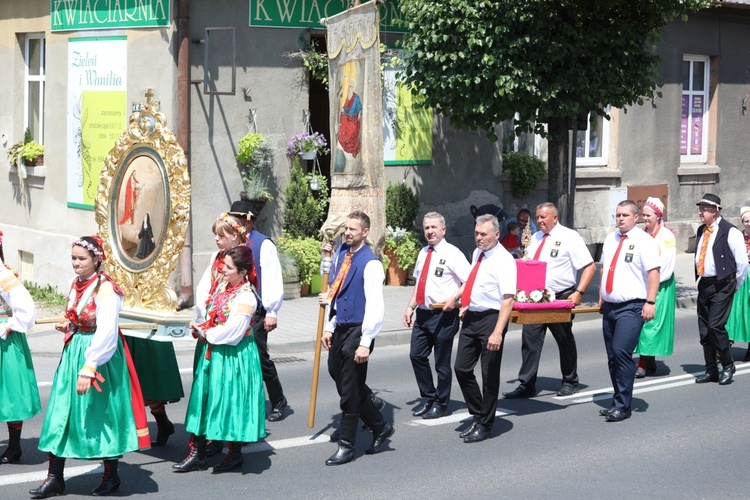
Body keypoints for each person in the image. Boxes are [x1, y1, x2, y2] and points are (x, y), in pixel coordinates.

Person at [32, 236, 150, 498]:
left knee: (101, 415)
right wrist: (70, 325)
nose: (76, 263)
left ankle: (111, 476)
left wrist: (90, 367)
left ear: (97, 259)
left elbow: (107, 332)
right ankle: (55, 477)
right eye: (73, 257)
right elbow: (79, 317)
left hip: (99, 357)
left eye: (81, 258)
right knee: (60, 410)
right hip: (74, 351)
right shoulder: (76, 284)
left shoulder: (107, 289)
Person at [174, 246, 265, 474]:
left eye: (228, 267)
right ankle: (198, 453)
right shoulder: (224, 287)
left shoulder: (246, 297)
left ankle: (234, 455)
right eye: (223, 265)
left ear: (243, 271)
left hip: (233, 355)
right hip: (213, 351)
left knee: (231, 402)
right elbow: (212, 315)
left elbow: (233, 332)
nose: (222, 269)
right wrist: (201, 325)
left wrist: (206, 333)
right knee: (203, 399)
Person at [318, 211, 393, 466]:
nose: (347, 233)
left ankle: (347, 446)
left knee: (350, 387)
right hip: (341, 326)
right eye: (346, 229)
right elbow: (335, 293)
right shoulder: (341, 254)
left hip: (360, 329)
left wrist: (365, 341)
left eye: (353, 229)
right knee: (336, 373)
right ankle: (379, 424)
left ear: (365, 232)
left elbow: (375, 305)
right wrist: (329, 326)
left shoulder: (371, 263)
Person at [503, 202, 595, 399]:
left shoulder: (570, 237)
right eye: (538, 217)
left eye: (544, 217)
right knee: (530, 340)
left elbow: (589, 266)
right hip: (534, 297)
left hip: (559, 296)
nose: (540, 221)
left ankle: (570, 381)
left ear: (555, 218)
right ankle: (526, 384)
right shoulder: (535, 238)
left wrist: (579, 292)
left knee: (564, 339)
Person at [453, 214, 515, 443]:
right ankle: (478, 413)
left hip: (492, 319)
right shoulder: (477, 253)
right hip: (472, 317)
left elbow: (508, 299)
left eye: (483, 234)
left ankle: (485, 424)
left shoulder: (505, 260)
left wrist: (498, 331)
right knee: (461, 368)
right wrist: (463, 301)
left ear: (496, 235)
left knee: (489, 374)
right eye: (476, 233)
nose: (478, 238)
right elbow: (473, 280)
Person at [403, 212, 471, 419]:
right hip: (423, 314)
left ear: (443, 230)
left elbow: (469, 281)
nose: (430, 232)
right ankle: (428, 397)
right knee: (416, 355)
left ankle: (441, 404)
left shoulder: (453, 253)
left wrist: (455, 298)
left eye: (434, 227)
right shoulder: (423, 252)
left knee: (441, 363)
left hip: (443, 314)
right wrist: (410, 307)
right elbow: (419, 283)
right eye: (426, 228)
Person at [598, 201, 660, 422]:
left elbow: (654, 272)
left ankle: (623, 406)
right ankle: (617, 400)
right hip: (611, 306)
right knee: (612, 356)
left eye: (625, 215)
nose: (620, 219)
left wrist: (650, 302)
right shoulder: (610, 238)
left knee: (622, 352)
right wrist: (601, 296)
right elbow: (605, 268)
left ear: (636, 218)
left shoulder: (644, 241)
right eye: (617, 215)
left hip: (632, 306)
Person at [228, 200, 288, 421]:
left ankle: (278, 400)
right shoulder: (233, 245)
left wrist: (272, 311)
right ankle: (246, 402)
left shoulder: (263, 244)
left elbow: (272, 278)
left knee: (259, 357)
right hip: (235, 309)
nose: (235, 222)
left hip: (257, 311)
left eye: (239, 218)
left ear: (248, 220)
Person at [693, 194, 748, 385]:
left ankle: (727, 365)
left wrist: (735, 286)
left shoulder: (730, 231)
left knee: (716, 326)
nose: (700, 212)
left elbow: (741, 263)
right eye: (700, 208)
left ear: (715, 210)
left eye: (704, 209)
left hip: (724, 284)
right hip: (705, 284)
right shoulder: (702, 230)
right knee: (705, 330)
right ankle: (711, 370)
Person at [0, 229, 40, 465]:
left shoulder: (4, 275)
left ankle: (14, 447)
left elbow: (26, 308)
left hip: (5, 341)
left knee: (10, 395)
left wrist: (7, 325)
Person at [634, 197, 676, 378]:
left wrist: (653, 283)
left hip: (661, 284)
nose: (645, 218)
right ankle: (649, 360)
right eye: (643, 214)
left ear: (658, 216)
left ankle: (643, 362)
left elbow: (666, 265)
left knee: (651, 323)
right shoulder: (642, 234)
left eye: (648, 215)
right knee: (642, 323)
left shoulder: (667, 236)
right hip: (643, 284)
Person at [727, 206, 750, 361]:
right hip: (741, 276)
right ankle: (727, 343)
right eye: (746, 221)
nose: (748, 223)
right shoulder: (739, 237)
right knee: (734, 311)